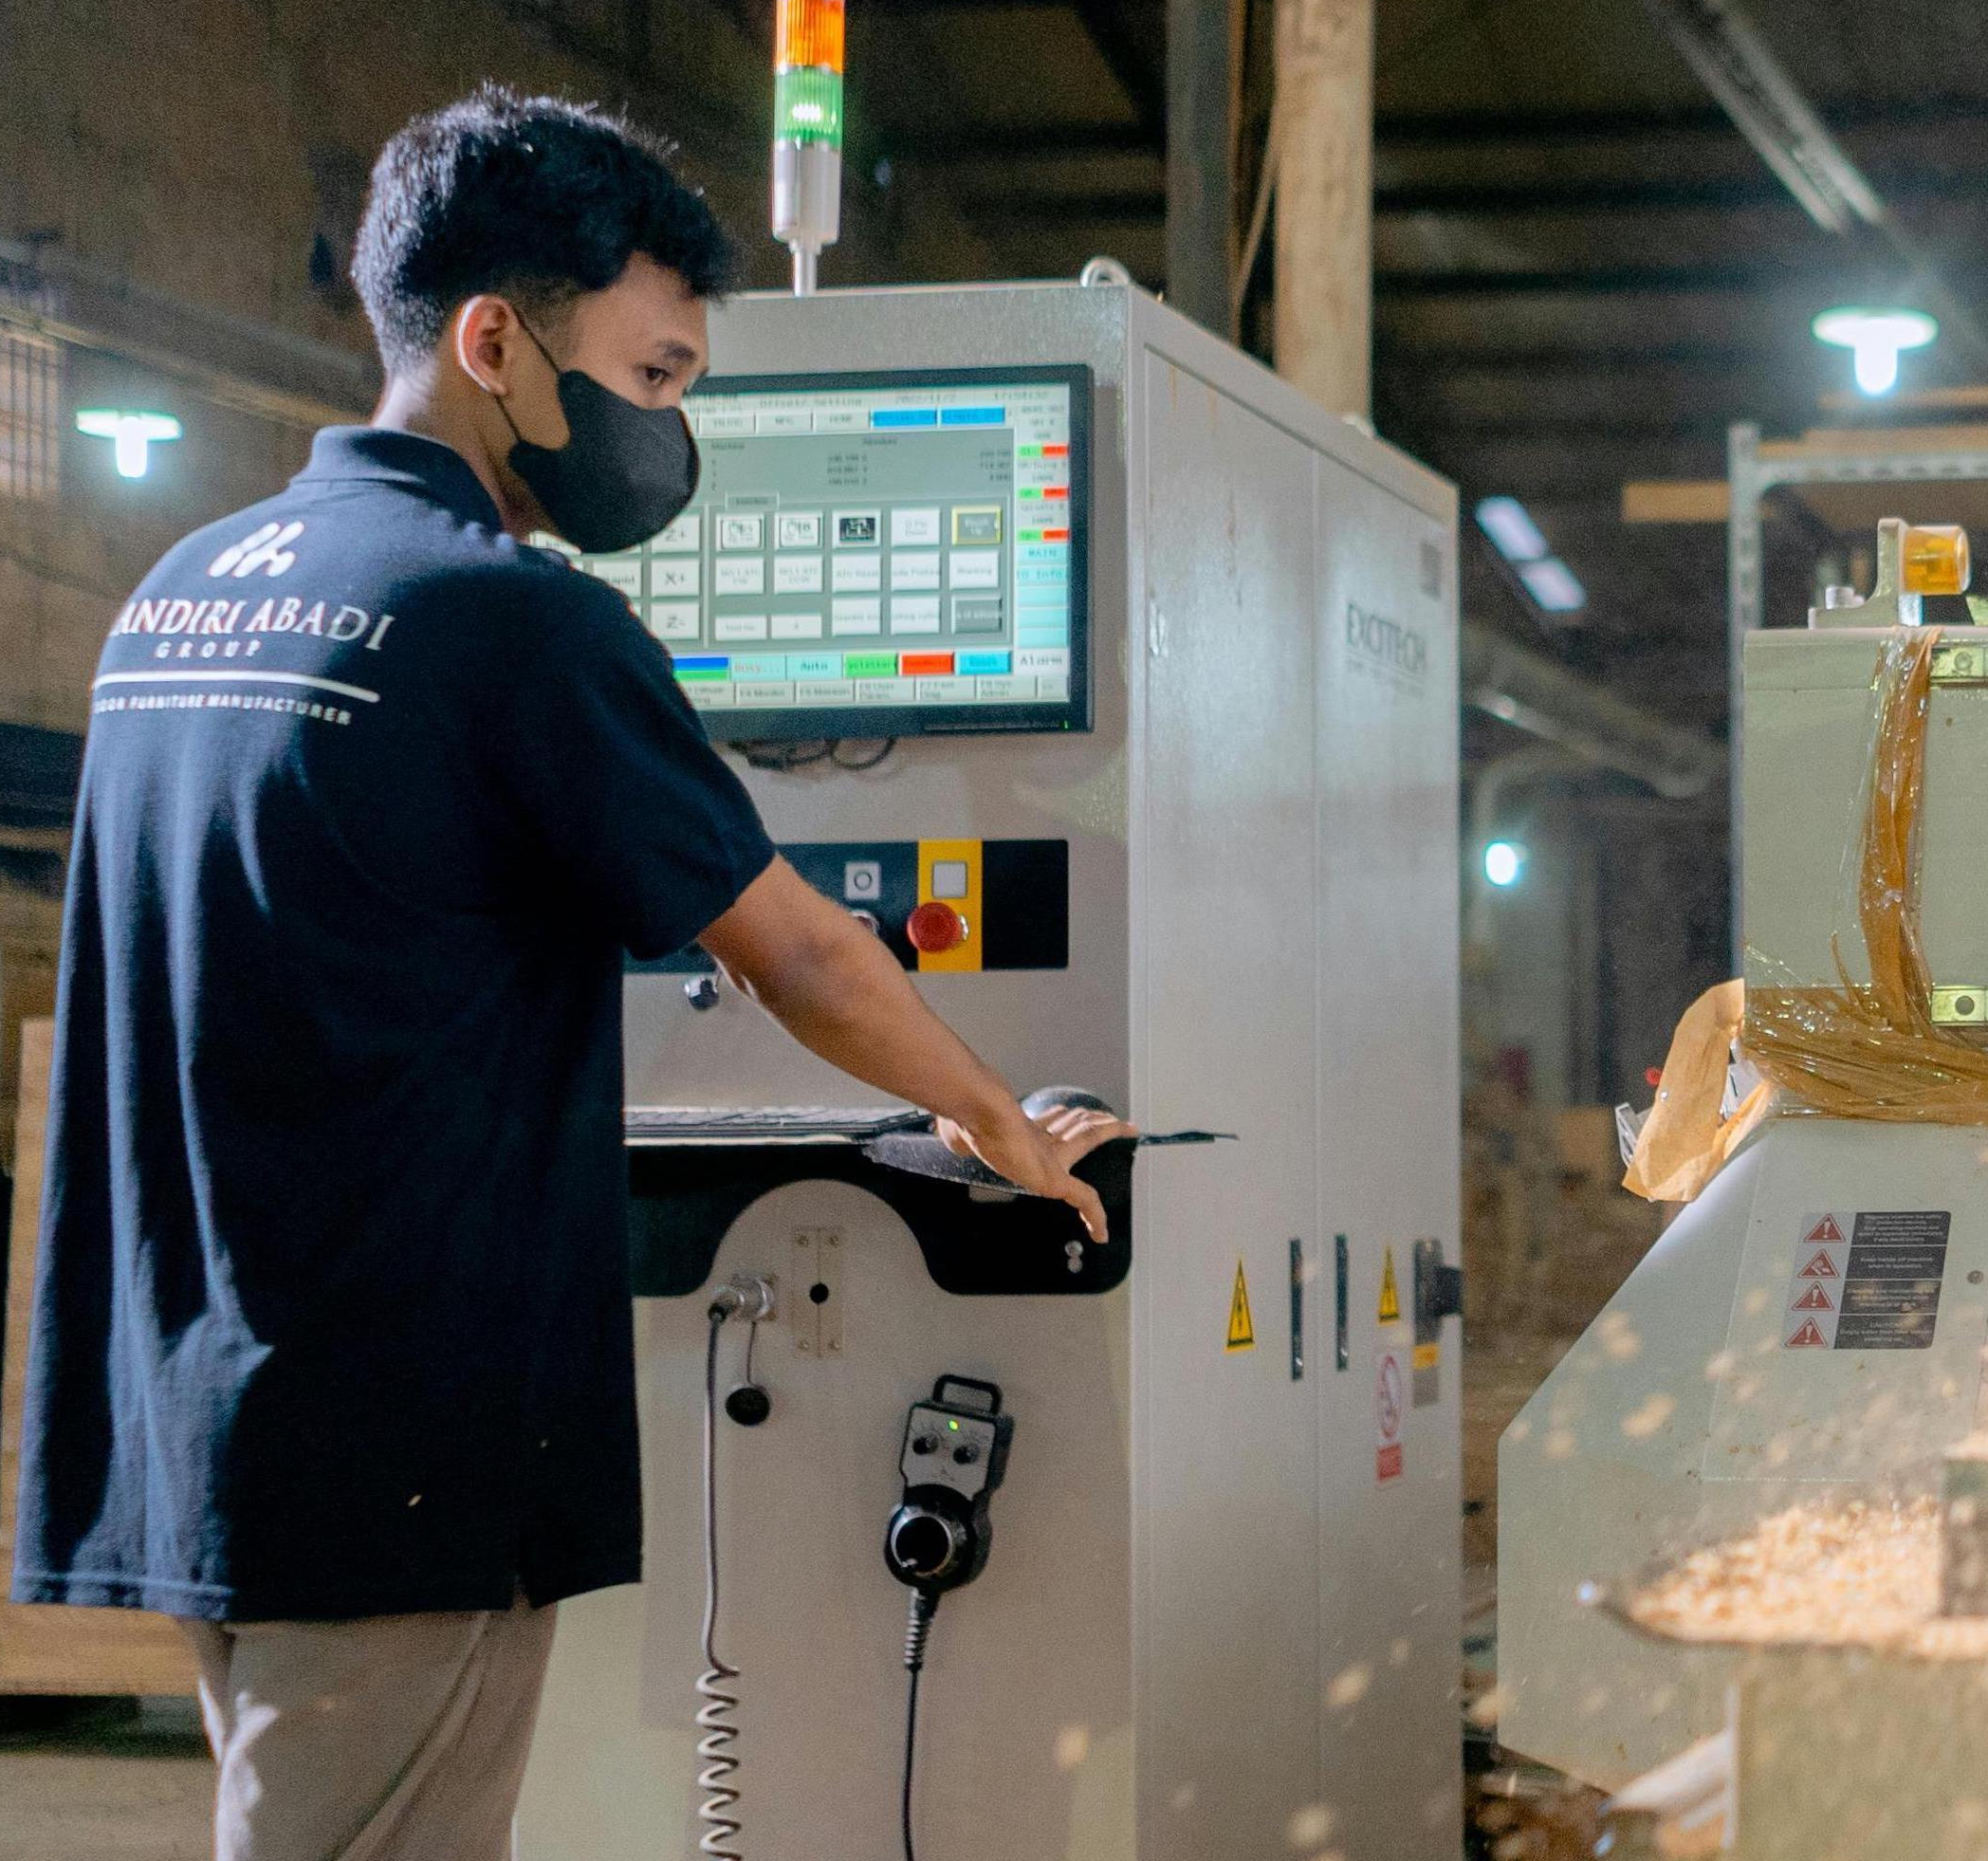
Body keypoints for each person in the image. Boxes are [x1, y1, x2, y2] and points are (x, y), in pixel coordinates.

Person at [10, 84, 1131, 1861]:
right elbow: (802, 950)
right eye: (655, 377)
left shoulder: (184, 594)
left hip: (193, 1414)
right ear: (491, 343)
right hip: (403, 1440)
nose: (663, 431)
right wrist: (997, 1118)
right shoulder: (512, 619)